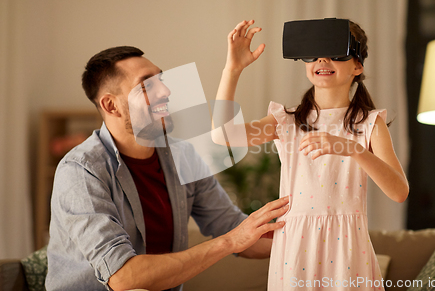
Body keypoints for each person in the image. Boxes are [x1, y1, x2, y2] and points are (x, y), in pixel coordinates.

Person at [46, 46, 289, 291]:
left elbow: (237, 230)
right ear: (111, 106)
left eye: (160, 80)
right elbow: (123, 277)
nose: (165, 91)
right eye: (146, 85)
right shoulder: (80, 171)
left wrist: (313, 241)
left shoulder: (183, 156)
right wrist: (228, 242)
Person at [215, 19, 409, 290]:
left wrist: (350, 148)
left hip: (348, 248)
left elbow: (399, 191)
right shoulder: (286, 121)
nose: (323, 59)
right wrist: (232, 70)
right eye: (314, 53)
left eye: (336, 53)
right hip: (295, 247)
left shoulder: (370, 124)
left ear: (357, 65)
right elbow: (222, 136)